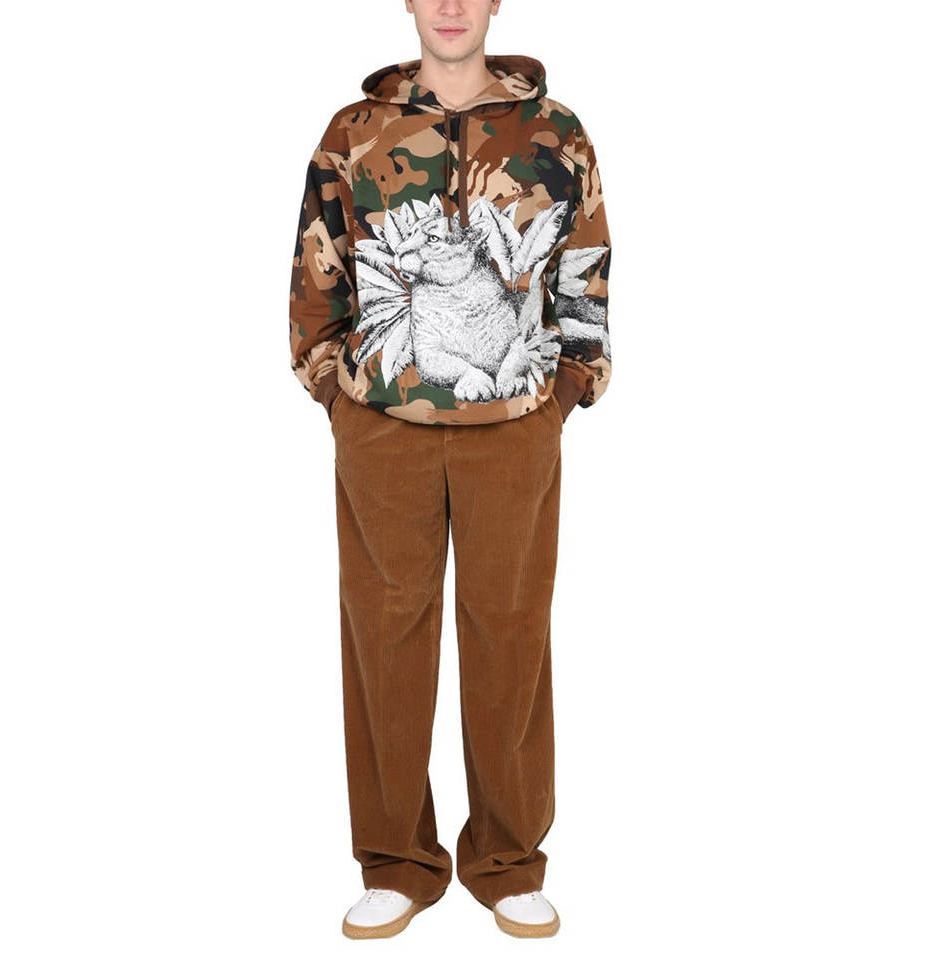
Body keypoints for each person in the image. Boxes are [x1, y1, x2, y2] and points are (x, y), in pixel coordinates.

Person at [289, 0, 611, 939]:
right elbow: (316, 269)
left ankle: (508, 860)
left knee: (510, 632)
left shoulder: (556, 131)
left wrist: (568, 387)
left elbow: (586, 264)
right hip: (382, 430)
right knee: (384, 637)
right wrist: (336, 391)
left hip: (516, 427)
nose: (452, 6)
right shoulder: (355, 131)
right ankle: (395, 860)